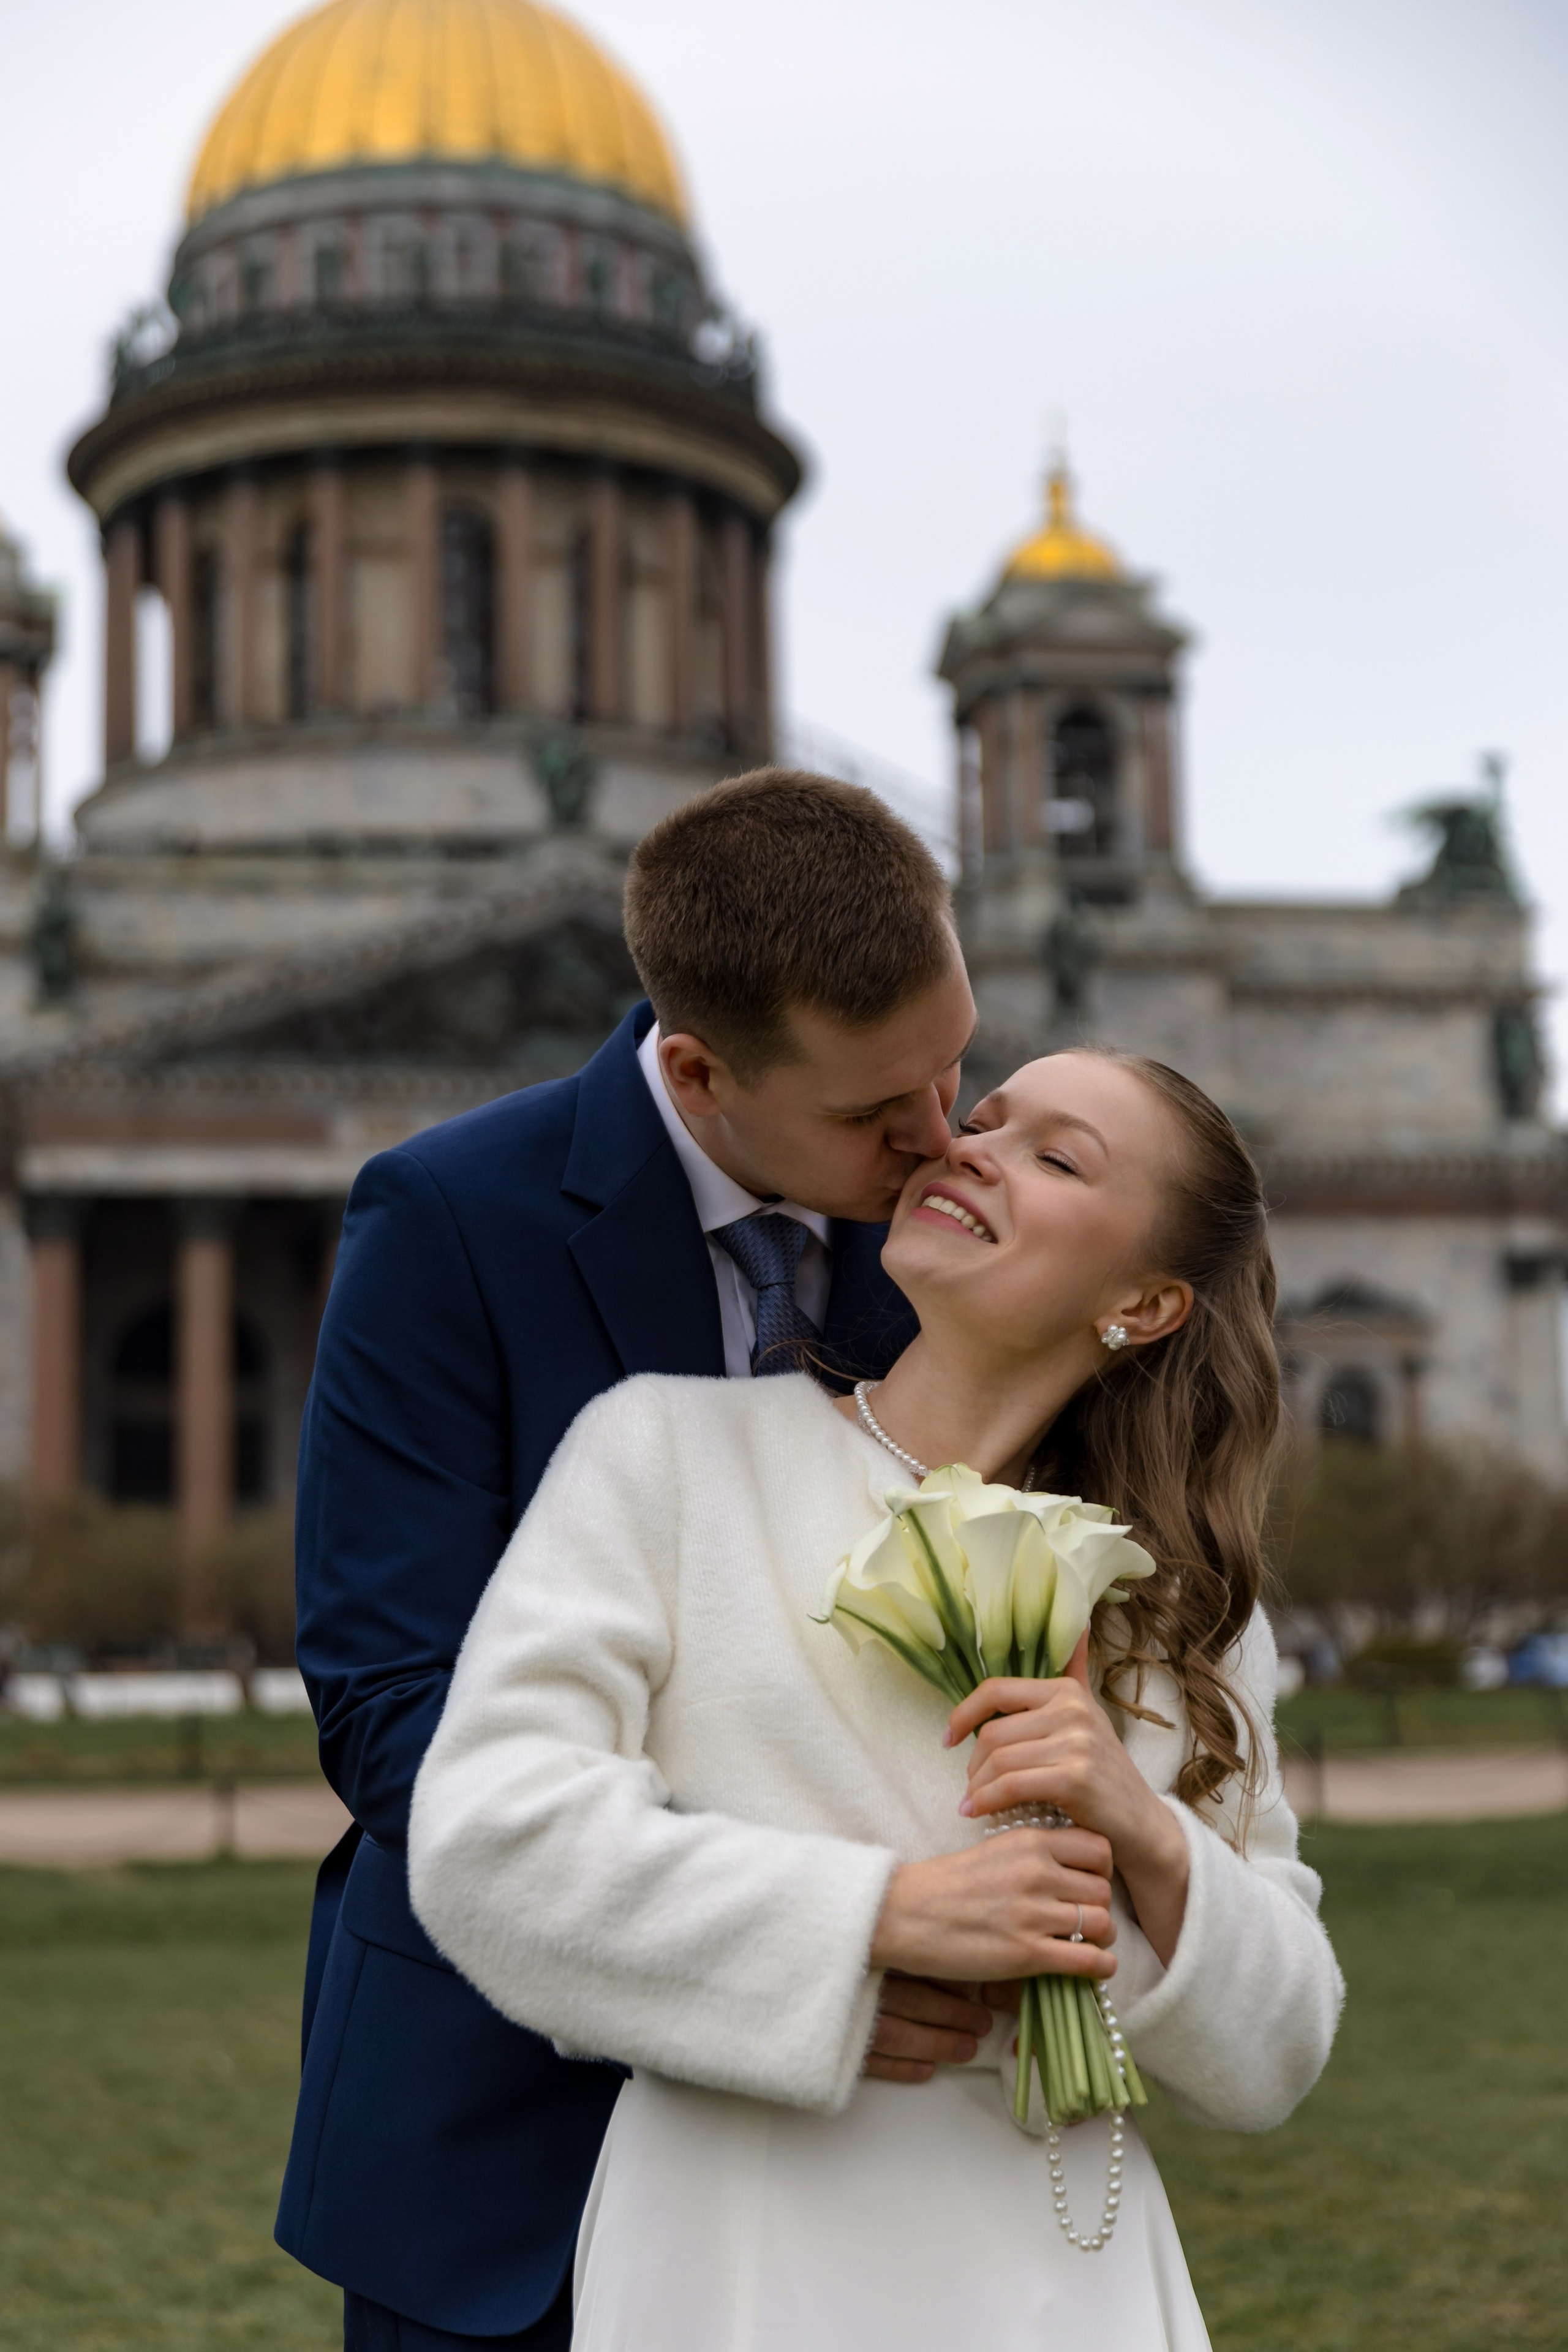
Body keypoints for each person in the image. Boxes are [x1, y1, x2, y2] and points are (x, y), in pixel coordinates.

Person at [407, 1047, 1346, 2350]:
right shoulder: (667, 1458)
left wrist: (1141, 1827)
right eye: (984, 1119)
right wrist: (872, 1922)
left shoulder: (1177, 1611)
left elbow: (1277, 2049)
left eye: (1054, 1156)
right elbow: (486, 1849)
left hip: (1064, 2259)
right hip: (743, 2248)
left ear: (1143, 1301)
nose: (968, 1147)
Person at [276, 770, 1003, 2348]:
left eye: (952, 1068)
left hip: (877, 2137)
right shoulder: (449, 1221)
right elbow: (397, 1710)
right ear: (696, 1069)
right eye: (876, 1111)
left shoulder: (949, 1224)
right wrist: (810, 1935)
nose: (938, 1140)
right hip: (505, 2132)